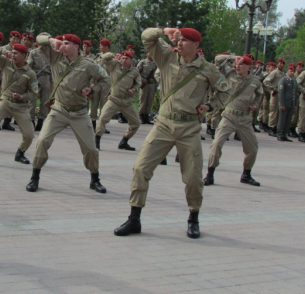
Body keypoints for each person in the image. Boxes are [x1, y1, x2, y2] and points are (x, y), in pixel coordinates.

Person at [114, 27, 229, 239]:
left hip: (189, 128)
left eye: (186, 40)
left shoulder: (207, 69)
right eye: (180, 39)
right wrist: (164, 31)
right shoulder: (167, 56)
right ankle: (134, 218)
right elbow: (146, 37)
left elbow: (226, 90)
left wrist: (210, 106)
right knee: (140, 168)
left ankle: (193, 218)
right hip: (164, 124)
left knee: (193, 178)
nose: (181, 42)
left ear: (196, 45)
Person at [25, 33, 109, 194]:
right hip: (59, 110)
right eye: (61, 43)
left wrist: (92, 89)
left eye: (66, 43)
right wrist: (52, 40)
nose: (62, 46)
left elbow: (105, 80)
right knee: (42, 141)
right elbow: (39, 38)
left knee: (91, 149)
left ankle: (95, 179)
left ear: (76, 47)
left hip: (79, 113)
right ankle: (34, 177)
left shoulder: (88, 64)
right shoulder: (55, 58)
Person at [203, 55, 263, 187]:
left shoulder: (255, 81)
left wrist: (255, 104)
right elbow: (218, 59)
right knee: (217, 144)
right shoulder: (229, 73)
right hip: (229, 116)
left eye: (242, 64)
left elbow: (260, 94)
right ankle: (210, 174)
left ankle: (246, 174)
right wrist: (232, 57)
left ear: (249, 67)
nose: (239, 66)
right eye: (238, 63)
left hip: (245, 119)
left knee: (252, 148)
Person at [0, 44, 38, 166]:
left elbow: (34, 93)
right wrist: (3, 50)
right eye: (12, 52)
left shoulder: (30, 74)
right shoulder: (5, 62)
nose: (13, 55)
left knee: (29, 135)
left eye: (16, 53)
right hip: (4, 101)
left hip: (20, 106)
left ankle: (20, 153)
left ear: (24, 55)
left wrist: (21, 97)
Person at [95, 51, 141, 151]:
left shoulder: (135, 72)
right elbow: (104, 58)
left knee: (136, 123)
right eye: (123, 58)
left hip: (126, 102)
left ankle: (124, 141)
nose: (124, 60)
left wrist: (134, 89)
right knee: (103, 118)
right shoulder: (114, 65)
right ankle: (97, 140)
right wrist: (113, 55)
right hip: (114, 99)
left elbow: (138, 83)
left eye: (126, 59)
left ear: (131, 60)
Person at [29, 37, 52, 132]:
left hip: (47, 78)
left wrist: (52, 81)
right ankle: (31, 120)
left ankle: (41, 121)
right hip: (35, 78)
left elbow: (53, 69)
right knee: (32, 100)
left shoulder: (50, 54)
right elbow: (29, 67)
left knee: (45, 101)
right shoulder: (33, 53)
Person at [90, 39, 111, 132]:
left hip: (106, 83)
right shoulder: (97, 57)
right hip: (96, 82)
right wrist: (91, 82)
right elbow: (92, 69)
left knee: (104, 104)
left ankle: (102, 126)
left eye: (102, 45)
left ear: (107, 47)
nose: (100, 47)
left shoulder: (111, 58)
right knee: (94, 103)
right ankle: (93, 123)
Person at [276, 64, 298, 142]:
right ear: (287, 71)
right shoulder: (283, 80)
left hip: (291, 104)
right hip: (284, 103)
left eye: (293, 71)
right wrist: (282, 104)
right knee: (282, 120)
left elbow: (295, 94)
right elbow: (281, 93)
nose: (292, 72)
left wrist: (295, 105)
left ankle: (285, 134)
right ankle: (279, 134)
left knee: (288, 120)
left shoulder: (294, 81)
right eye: (290, 71)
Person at [137, 52, 157, 125]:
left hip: (152, 84)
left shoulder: (155, 63)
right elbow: (137, 73)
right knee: (143, 100)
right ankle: (141, 116)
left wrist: (155, 86)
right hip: (144, 84)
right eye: (150, 52)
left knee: (149, 101)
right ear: (147, 53)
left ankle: (146, 116)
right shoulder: (142, 62)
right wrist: (142, 79)